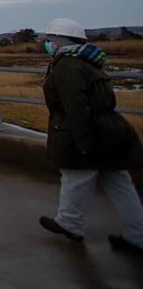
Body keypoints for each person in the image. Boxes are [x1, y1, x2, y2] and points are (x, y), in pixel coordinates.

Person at [38, 18, 143, 253]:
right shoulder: (89, 61)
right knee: (120, 185)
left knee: (76, 177)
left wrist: (83, 142)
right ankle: (138, 235)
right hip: (111, 130)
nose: (48, 45)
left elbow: (75, 106)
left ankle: (69, 223)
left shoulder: (67, 65)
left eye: (50, 41)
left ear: (59, 42)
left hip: (88, 131)